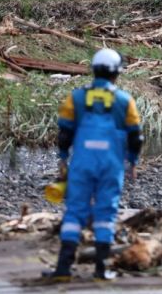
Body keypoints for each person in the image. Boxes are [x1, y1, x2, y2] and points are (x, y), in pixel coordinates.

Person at [44, 49, 144, 282]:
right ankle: (101, 269)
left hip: (82, 163)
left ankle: (63, 268)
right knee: (105, 212)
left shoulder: (76, 98)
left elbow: (65, 133)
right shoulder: (124, 101)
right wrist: (133, 162)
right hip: (111, 166)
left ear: (94, 70)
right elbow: (136, 136)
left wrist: (62, 159)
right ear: (117, 73)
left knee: (74, 212)